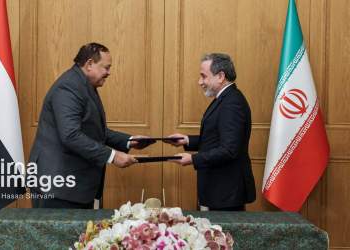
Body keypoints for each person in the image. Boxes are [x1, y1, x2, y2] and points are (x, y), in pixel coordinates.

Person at [29, 42, 153, 209]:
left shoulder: (83, 84)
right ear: (89, 64)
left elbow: (92, 130)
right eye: (106, 67)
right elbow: (71, 135)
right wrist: (113, 156)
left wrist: (129, 140)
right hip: (59, 187)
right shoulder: (69, 88)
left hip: (71, 187)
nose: (109, 73)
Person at [166, 53, 256, 211]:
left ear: (220, 76)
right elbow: (215, 138)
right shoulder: (225, 98)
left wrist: (194, 159)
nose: (200, 82)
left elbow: (228, 150)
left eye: (203, 76)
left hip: (225, 193)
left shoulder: (232, 103)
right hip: (217, 191)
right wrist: (187, 140)